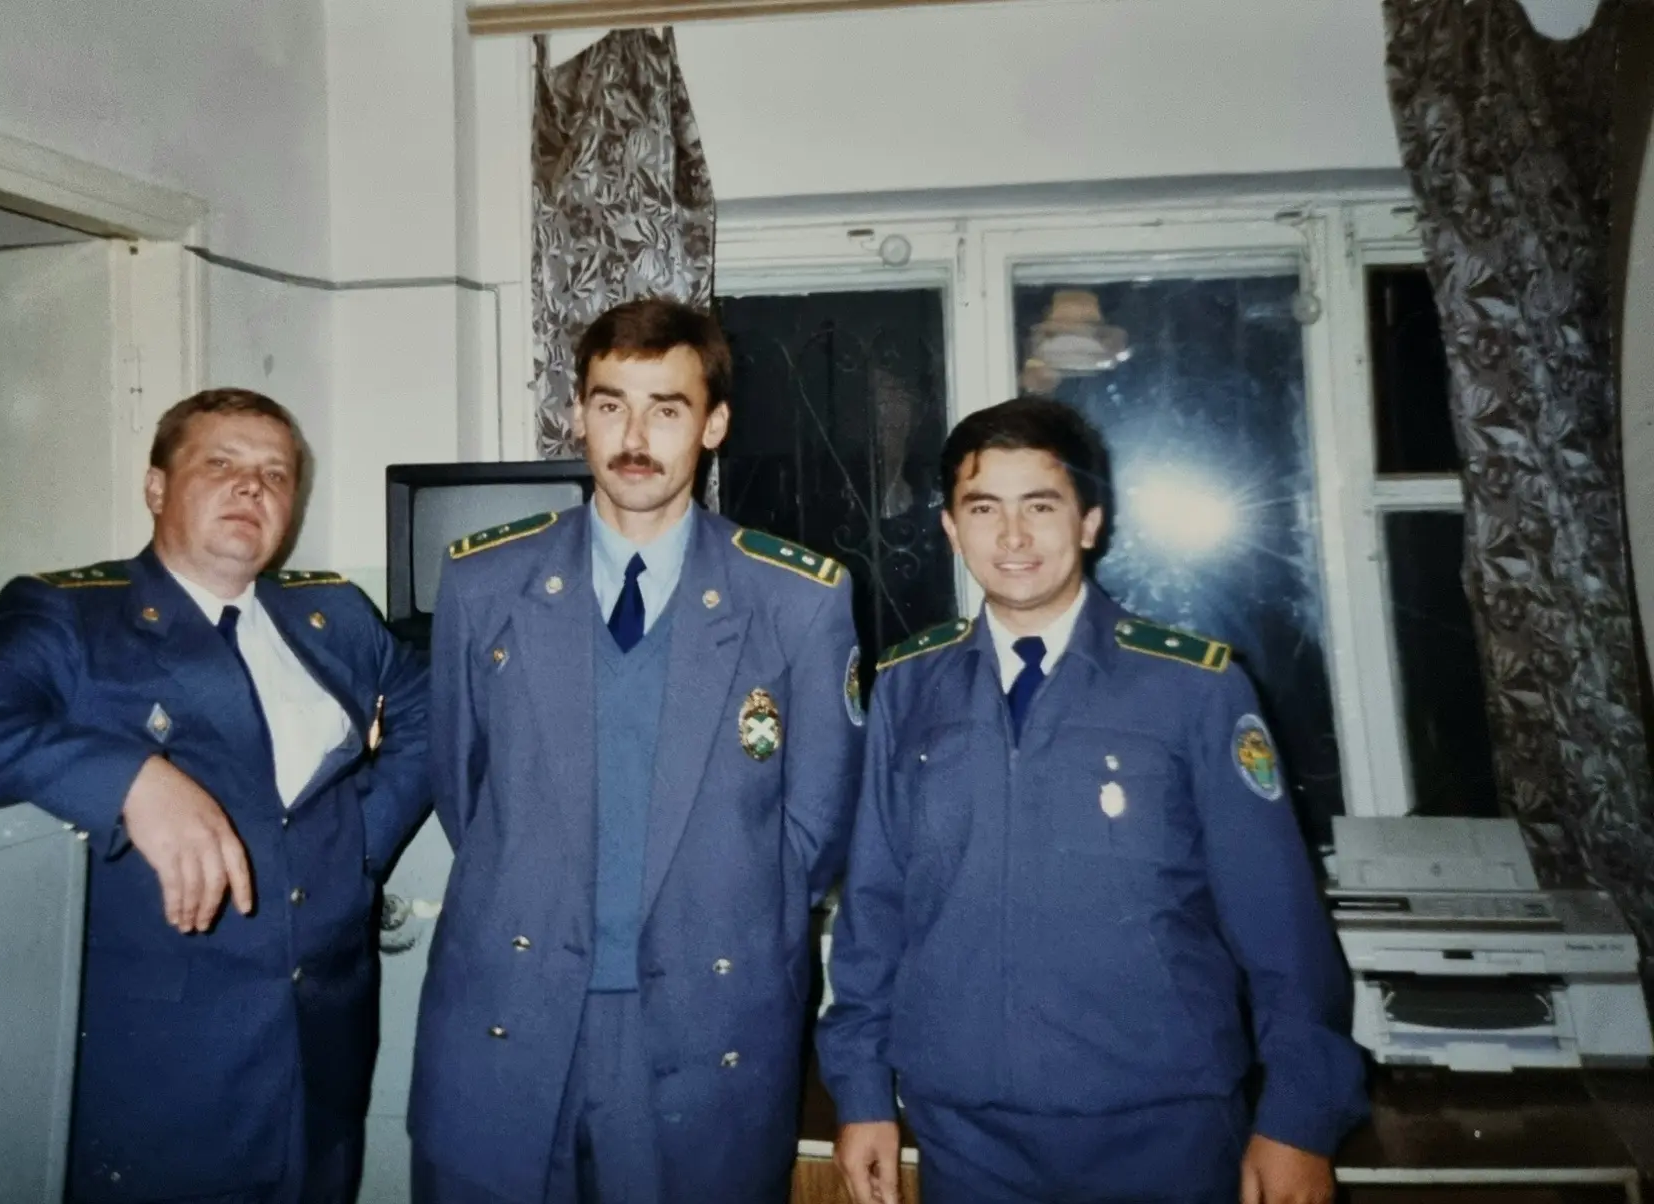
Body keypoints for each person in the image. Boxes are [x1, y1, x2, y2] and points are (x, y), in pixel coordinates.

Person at [0, 388, 431, 1204]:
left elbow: (430, 709)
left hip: (324, 1058)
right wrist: (129, 779)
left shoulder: (333, 614)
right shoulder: (73, 616)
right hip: (163, 1073)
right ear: (156, 488)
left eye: (276, 474)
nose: (252, 486)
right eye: (221, 463)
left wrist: (364, 839)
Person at [817, 397, 1368, 1204]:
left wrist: (1299, 1117)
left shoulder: (1193, 688)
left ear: (1090, 523)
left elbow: (1279, 922)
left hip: (1164, 1128)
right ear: (951, 528)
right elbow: (875, 913)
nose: (1012, 537)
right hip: (967, 1133)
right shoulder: (909, 689)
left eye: (1041, 507)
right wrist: (862, 1090)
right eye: (984, 509)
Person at [409, 297, 864, 1204]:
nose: (634, 437)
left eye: (667, 408)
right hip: (510, 1009)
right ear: (576, 414)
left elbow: (815, 835)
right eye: (610, 404)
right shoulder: (484, 581)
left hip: (706, 1023)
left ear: (714, 425)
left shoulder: (798, 600)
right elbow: (465, 794)